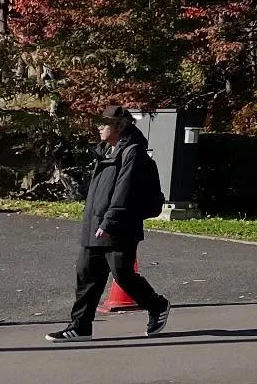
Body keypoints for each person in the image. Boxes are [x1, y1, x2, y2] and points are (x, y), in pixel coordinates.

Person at [46, 103, 171, 342]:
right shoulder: (106, 151)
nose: (99, 128)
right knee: (86, 275)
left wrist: (110, 221)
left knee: (123, 275)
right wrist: (93, 223)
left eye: (104, 124)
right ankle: (80, 326)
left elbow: (124, 190)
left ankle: (157, 305)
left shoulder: (132, 152)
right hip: (95, 224)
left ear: (119, 126)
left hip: (118, 226)